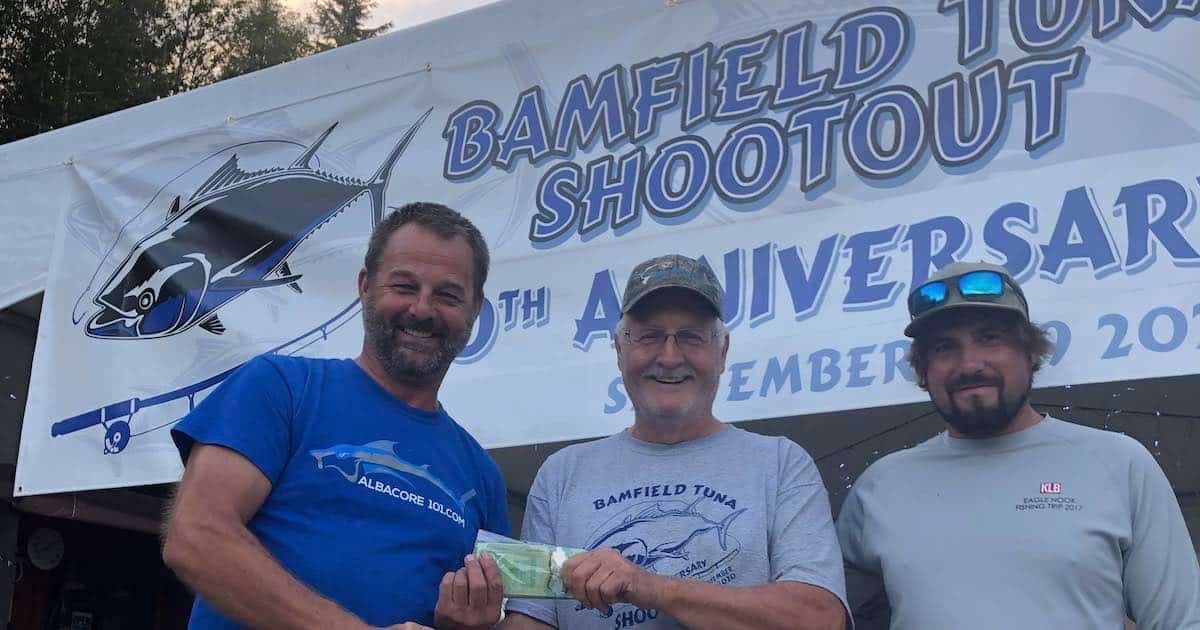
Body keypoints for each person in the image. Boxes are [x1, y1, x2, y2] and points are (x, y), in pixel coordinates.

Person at [448, 254, 849, 629]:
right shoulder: (562, 474)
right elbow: (532, 621)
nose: (670, 357)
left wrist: (647, 585)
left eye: (691, 337)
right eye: (648, 336)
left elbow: (821, 617)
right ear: (620, 349)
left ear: (722, 351)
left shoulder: (780, 462)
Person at [162, 202, 510, 630]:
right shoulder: (280, 388)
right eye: (403, 286)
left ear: (475, 308)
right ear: (365, 286)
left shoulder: (483, 478)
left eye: (448, 295)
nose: (421, 309)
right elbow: (197, 537)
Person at [836, 261, 1200, 629]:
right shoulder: (879, 487)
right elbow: (825, 614)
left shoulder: (1120, 463)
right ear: (923, 370)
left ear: (1030, 354)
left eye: (989, 338)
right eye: (944, 348)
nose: (969, 364)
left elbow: (1180, 621)